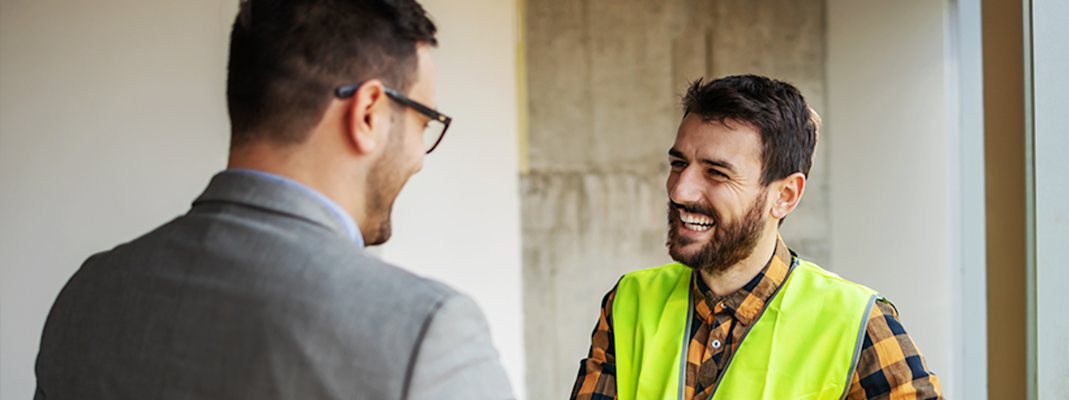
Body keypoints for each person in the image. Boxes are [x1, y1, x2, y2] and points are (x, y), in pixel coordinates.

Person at [33, 0, 513, 399]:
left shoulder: (86, 297)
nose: (420, 158)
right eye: (424, 123)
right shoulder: (428, 332)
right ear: (368, 112)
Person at [570, 75, 944, 400]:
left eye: (716, 173)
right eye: (678, 164)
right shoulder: (630, 302)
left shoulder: (859, 324)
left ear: (784, 196)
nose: (681, 190)